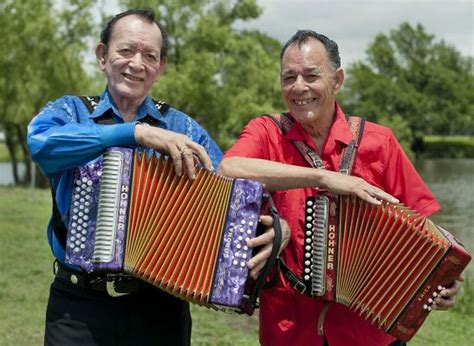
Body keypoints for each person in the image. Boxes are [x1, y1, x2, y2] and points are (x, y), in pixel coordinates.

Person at [218, 30, 464, 346]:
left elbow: (425, 230)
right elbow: (228, 169)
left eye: (311, 75)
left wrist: (442, 279)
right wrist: (323, 178)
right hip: (289, 330)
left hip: (369, 332)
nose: (299, 87)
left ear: (337, 80)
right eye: (289, 77)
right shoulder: (266, 132)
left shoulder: (379, 141)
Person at [27, 8, 223, 346]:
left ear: (160, 68)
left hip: (161, 305)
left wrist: (275, 226)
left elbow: (229, 193)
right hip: (78, 305)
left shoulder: (184, 128)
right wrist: (135, 134)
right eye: (126, 50)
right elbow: (41, 146)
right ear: (103, 56)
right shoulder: (71, 110)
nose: (137, 63)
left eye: (150, 55)